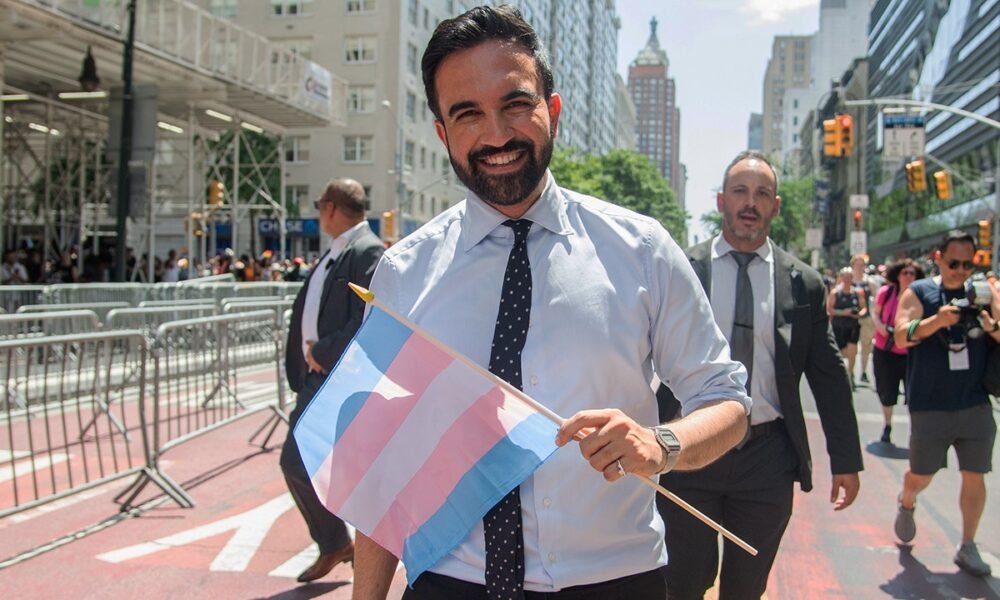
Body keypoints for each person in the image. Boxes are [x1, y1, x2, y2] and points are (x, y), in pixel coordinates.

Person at [353, 6, 751, 599]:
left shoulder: (642, 250)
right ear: (442, 133)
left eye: (515, 104)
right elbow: (381, 462)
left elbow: (727, 403)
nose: (496, 135)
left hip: (614, 582)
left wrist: (660, 444)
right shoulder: (403, 274)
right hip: (447, 580)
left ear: (553, 111)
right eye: (467, 113)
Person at [657, 151, 863, 600]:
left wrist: (846, 460)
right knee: (684, 581)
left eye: (762, 193)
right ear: (721, 201)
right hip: (691, 449)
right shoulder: (680, 270)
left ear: (776, 206)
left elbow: (829, 377)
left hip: (767, 458)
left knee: (746, 588)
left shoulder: (804, 283)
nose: (750, 203)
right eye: (740, 191)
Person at [282, 178, 385, 583]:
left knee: (302, 460)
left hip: (336, 378)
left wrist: (322, 351)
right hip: (317, 377)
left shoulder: (367, 250)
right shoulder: (337, 250)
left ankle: (348, 547)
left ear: (330, 208)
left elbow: (367, 317)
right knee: (304, 462)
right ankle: (337, 544)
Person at [892, 230, 999, 577]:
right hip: (930, 403)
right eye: (954, 263)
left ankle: (968, 545)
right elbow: (900, 335)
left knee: (975, 475)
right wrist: (936, 320)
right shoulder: (920, 291)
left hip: (975, 402)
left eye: (968, 265)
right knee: (921, 474)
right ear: (938, 258)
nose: (961, 271)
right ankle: (907, 499)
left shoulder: (984, 292)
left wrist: (992, 326)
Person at [870, 259, 925, 444]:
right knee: (886, 391)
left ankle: (914, 430)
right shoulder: (886, 293)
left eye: (912, 273)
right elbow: (876, 313)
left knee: (914, 392)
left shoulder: (920, 296)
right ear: (897, 275)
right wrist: (882, 328)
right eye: (905, 273)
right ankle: (887, 425)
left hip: (911, 353)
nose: (908, 277)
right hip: (885, 350)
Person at [827, 267, 867, 389]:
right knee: (838, 353)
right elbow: (829, 309)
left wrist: (858, 314)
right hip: (838, 327)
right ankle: (838, 376)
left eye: (849, 277)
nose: (847, 279)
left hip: (852, 327)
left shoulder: (857, 292)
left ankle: (850, 375)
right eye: (844, 277)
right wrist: (843, 312)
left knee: (852, 352)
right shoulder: (835, 293)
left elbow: (864, 308)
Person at [851, 255, 879, 383]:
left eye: (862, 265)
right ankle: (850, 371)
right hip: (849, 319)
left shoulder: (869, 282)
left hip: (866, 318)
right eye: (857, 265)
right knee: (850, 347)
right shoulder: (847, 279)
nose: (859, 267)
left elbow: (877, 300)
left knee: (866, 345)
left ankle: (863, 371)